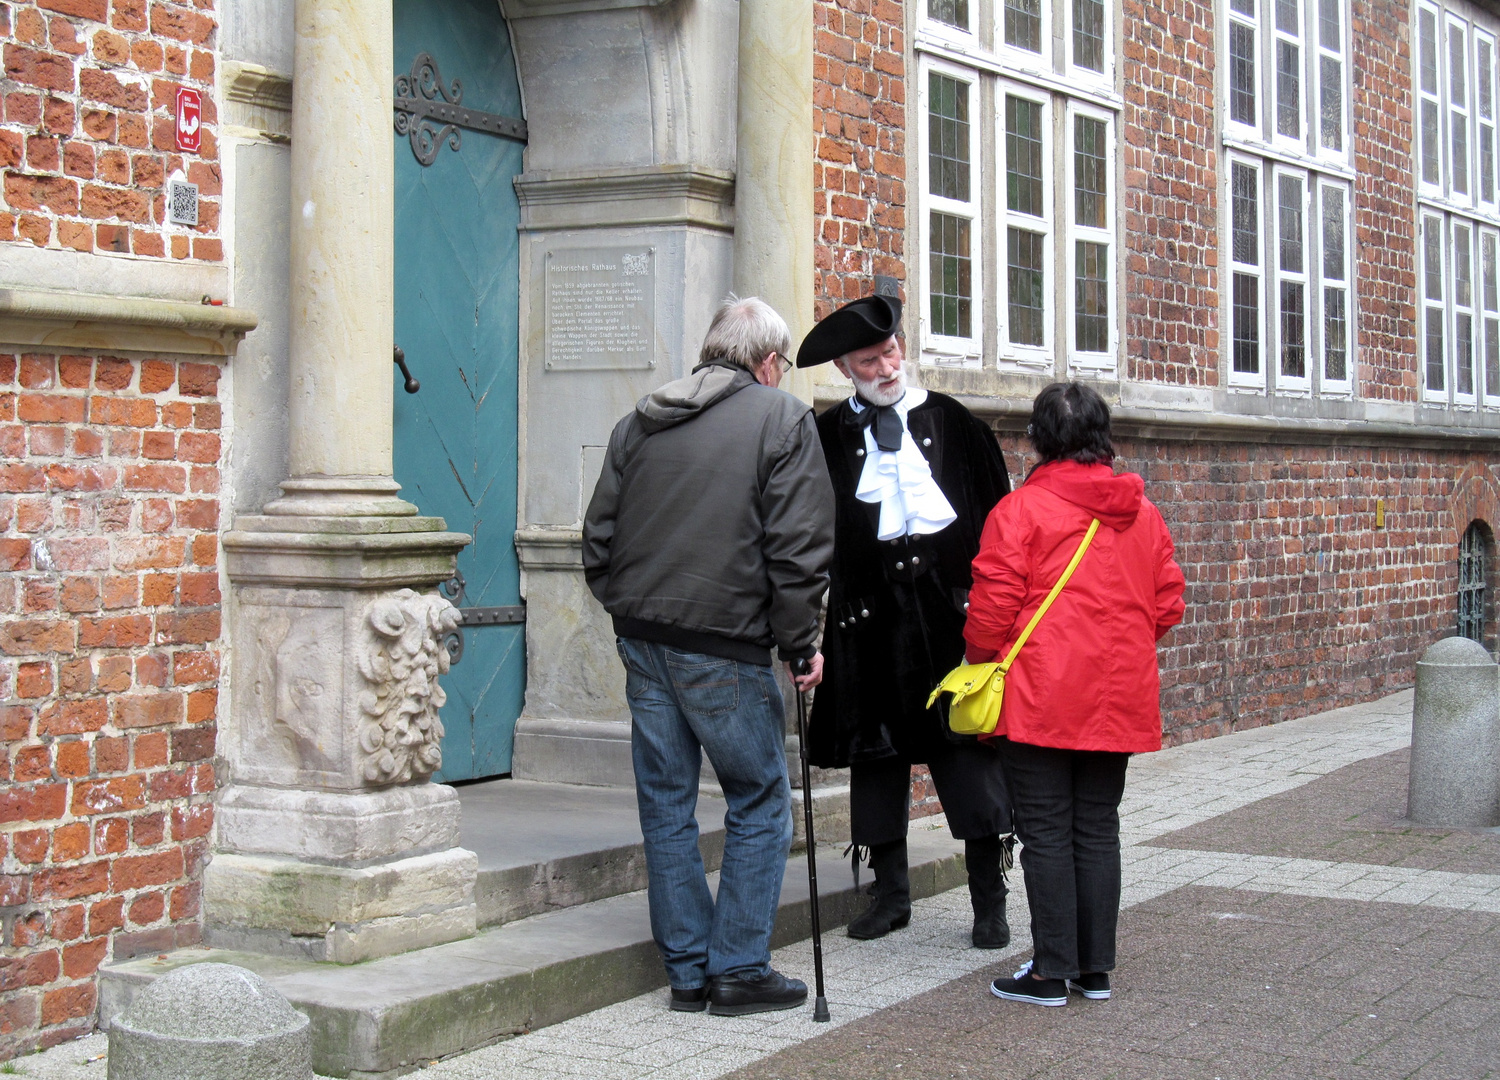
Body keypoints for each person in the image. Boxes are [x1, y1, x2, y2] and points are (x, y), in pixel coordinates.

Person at [582, 296, 835, 1016]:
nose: (781, 375)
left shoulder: (641, 418)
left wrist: (625, 607)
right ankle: (738, 968)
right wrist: (802, 642)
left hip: (645, 638)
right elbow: (798, 548)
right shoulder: (779, 418)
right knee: (759, 798)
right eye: (781, 363)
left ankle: (689, 970)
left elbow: (597, 538)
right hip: (724, 644)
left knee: (666, 805)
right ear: (765, 362)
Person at [794, 292, 1015, 947]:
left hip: (953, 622)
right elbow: (808, 532)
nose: (887, 367)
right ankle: (888, 896)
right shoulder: (826, 438)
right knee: (877, 759)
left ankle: (989, 901)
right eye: (870, 359)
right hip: (868, 623)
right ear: (845, 367)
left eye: (891, 352)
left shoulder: (955, 424)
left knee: (966, 755)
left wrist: (992, 613)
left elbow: (1001, 524)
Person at [964, 382, 1185, 1007]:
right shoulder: (1142, 512)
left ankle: (1050, 970)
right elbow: (1167, 602)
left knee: (1046, 831)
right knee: (1097, 827)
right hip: (1119, 695)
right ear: (1101, 435)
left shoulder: (1020, 512)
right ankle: (1094, 969)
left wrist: (984, 663)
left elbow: (990, 612)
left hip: (1040, 695)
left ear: (1038, 440)